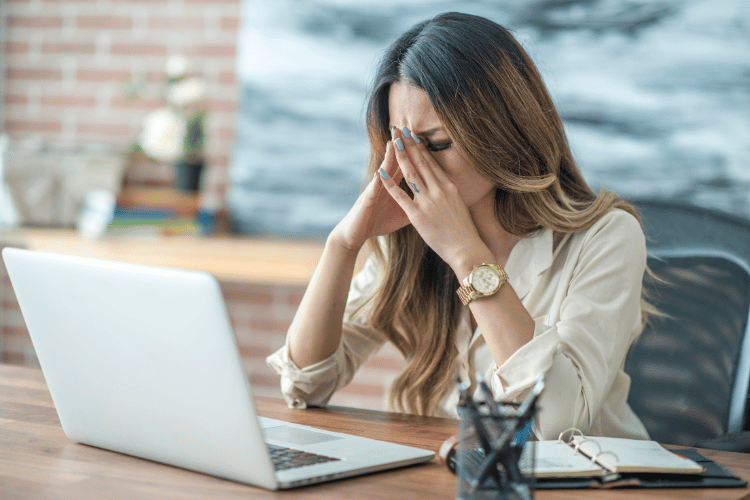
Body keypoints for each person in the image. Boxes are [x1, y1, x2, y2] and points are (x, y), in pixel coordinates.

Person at [267, 11, 650, 441]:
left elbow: (556, 425)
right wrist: (343, 243)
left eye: (438, 144)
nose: (416, 165)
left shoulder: (607, 238)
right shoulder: (410, 241)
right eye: (402, 144)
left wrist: (466, 255)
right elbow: (305, 386)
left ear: (504, 130)